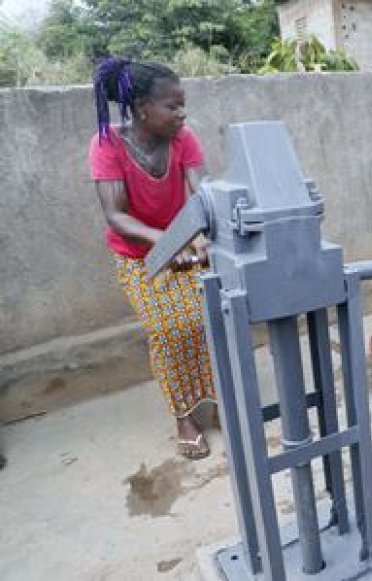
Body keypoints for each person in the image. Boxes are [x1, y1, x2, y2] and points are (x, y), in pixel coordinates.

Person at [89, 57, 216, 460]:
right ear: (142, 107)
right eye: (172, 106)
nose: (182, 114)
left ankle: (214, 397)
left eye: (183, 105)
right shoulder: (107, 143)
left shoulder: (184, 138)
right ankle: (184, 416)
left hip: (184, 244)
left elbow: (200, 191)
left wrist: (201, 233)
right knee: (167, 331)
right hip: (138, 255)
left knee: (207, 319)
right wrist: (167, 241)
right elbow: (116, 215)